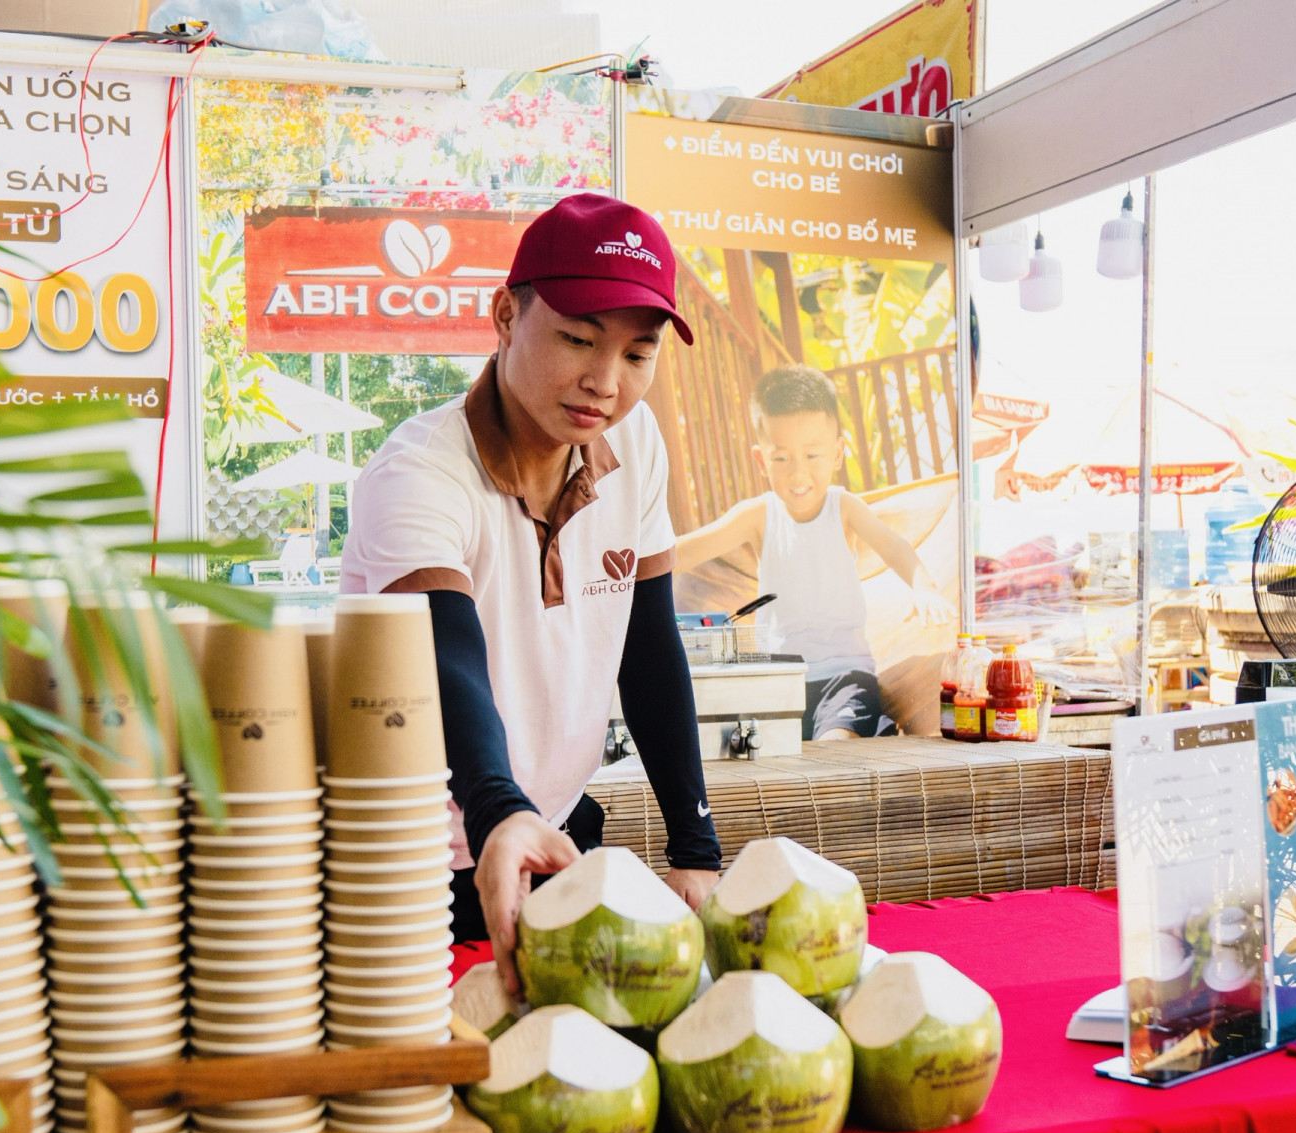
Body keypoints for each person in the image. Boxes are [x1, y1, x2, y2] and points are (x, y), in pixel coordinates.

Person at [339, 193, 721, 999]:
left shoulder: (631, 441)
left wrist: (695, 846)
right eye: (578, 339)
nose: (603, 384)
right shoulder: (417, 476)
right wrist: (496, 811)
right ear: (505, 316)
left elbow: (648, 645)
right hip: (408, 861)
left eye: (636, 355)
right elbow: (443, 660)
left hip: (546, 831)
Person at [675, 364, 957, 739]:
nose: (798, 474)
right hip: (778, 679)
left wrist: (924, 586)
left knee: (835, 748)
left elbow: (892, 544)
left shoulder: (844, 507)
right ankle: (875, 731)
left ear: (837, 453)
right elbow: (685, 551)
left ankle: (864, 730)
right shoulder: (758, 515)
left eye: (812, 455)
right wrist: (622, 568)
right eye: (782, 458)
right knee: (756, 751)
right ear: (762, 460)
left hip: (844, 674)